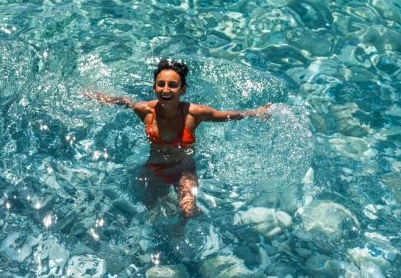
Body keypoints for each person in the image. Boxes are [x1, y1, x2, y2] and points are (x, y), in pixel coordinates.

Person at [85, 59, 271, 218]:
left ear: (183, 90)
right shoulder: (146, 111)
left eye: (173, 85)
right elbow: (125, 102)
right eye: (161, 84)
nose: (166, 90)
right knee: (151, 209)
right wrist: (95, 96)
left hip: (184, 170)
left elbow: (227, 115)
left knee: (188, 211)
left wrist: (256, 113)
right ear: (154, 87)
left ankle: (180, 231)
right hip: (154, 169)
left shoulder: (194, 113)